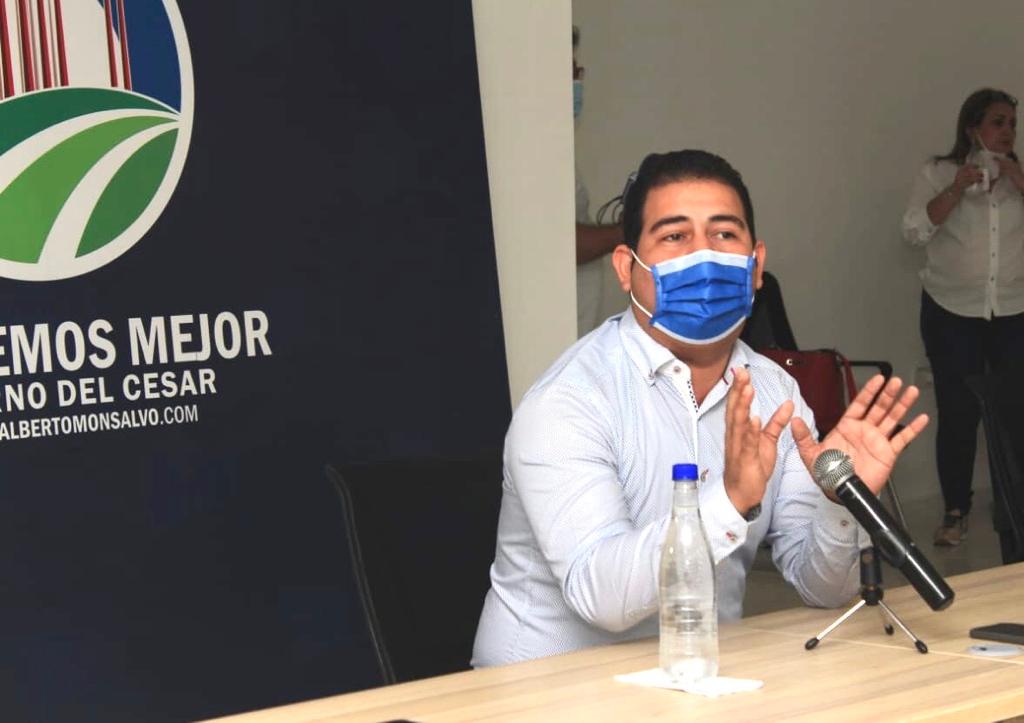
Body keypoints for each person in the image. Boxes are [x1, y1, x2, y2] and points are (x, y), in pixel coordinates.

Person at [472, 149, 928, 667]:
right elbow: (601, 597)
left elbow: (823, 589)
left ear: (756, 265)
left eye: (724, 234)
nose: (704, 257)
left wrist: (841, 499)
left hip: (700, 676)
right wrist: (728, 502)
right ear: (626, 267)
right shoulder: (569, 400)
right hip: (548, 691)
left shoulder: (775, 392)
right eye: (674, 236)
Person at [902, 88, 1024, 547]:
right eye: (998, 122)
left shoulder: (1018, 176)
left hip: (1013, 310)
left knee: (1015, 414)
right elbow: (913, 231)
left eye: (1012, 124)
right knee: (958, 413)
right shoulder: (938, 172)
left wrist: (1019, 180)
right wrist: (956, 189)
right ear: (973, 128)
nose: (1007, 131)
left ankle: (1014, 509)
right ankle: (956, 510)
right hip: (952, 311)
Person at [573, 25, 623, 335]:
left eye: (578, 70)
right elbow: (558, 242)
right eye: (570, 70)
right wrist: (628, 230)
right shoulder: (534, 156)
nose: (578, 78)